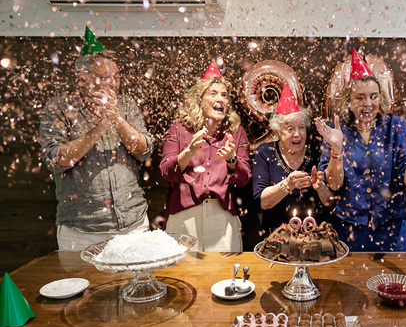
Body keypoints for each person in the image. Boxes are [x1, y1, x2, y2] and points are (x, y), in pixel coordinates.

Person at [320, 49, 406, 251]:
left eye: (373, 96)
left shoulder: (397, 126)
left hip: (392, 227)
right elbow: (334, 184)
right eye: (360, 97)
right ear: (349, 101)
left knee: (393, 283)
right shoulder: (336, 131)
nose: (368, 104)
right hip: (349, 229)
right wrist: (337, 149)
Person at [39, 27, 153, 251]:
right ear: (83, 79)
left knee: (136, 285)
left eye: (116, 77)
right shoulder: (59, 108)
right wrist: (100, 126)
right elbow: (57, 160)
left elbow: (144, 151)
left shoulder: (127, 104)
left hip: (133, 223)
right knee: (85, 287)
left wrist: (116, 119)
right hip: (81, 231)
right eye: (104, 77)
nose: (113, 84)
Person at [159, 63, 251, 252]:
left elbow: (244, 178)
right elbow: (166, 171)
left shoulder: (235, 132)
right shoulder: (179, 129)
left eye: (224, 95)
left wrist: (232, 159)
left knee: (224, 277)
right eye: (213, 93)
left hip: (222, 217)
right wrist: (189, 151)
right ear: (199, 100)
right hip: (184, 217)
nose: (220, 99)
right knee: (184, 277)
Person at [251, 83, 336, 238]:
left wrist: (320, 188)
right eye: (290, 129)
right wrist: (287, 185)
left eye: (301, 127)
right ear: (278, 131)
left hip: (316, 238)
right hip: (276, 238)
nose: (297, 134)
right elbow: (262, 202)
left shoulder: (318, 151)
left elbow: (330, 202)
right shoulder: (265, 152)